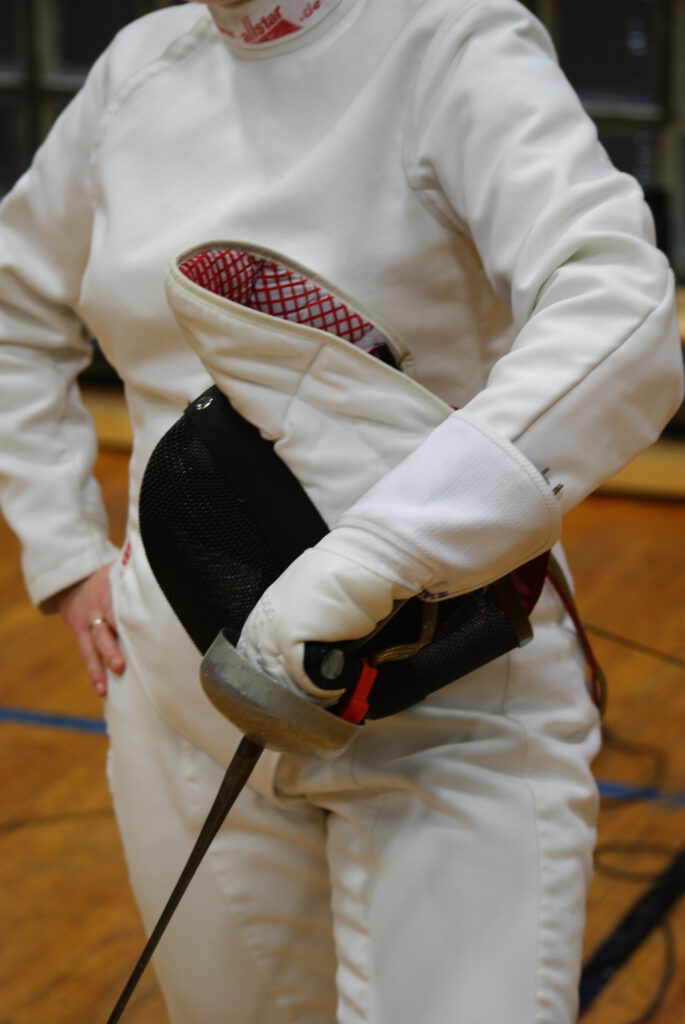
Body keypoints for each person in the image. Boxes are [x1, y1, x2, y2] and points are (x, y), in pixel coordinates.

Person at [0, 1, 682, 1021]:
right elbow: (12, 302)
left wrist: (372, 560)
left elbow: (619, 307)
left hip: (446, 706)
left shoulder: (448, 41)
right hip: (188, 701)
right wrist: (64, 549)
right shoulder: (139, 69)